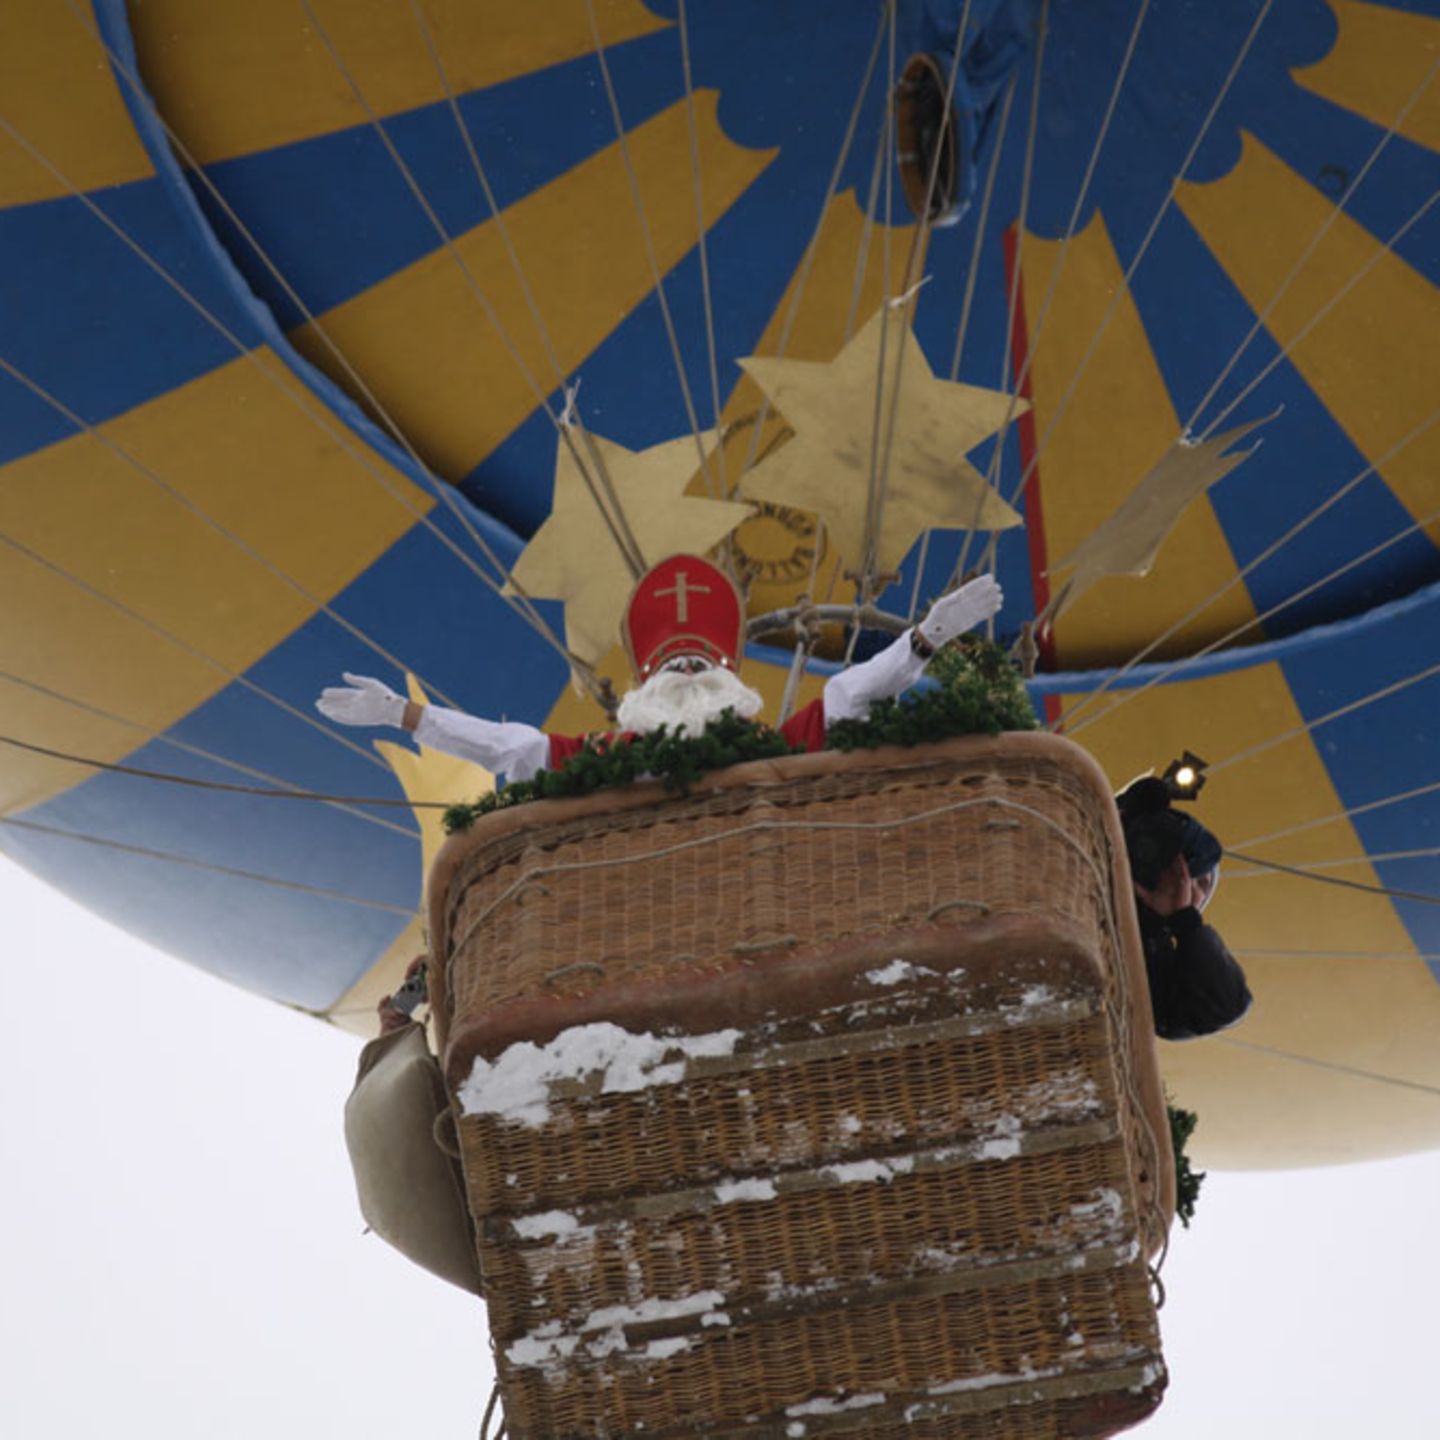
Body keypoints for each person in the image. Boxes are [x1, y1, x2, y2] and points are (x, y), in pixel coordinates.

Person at [315, 554, 1003, 781]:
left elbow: (850, 697)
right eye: (674, 664)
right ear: (649, 686)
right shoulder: (617, 755)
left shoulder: (771, 751)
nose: (686, 668)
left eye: (697, 661)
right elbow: (516, 749)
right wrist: (403, 713)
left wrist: (926, 637)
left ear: (725, 678)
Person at [1116, 776, 1252, 1041]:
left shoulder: (1159, 964)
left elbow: (1223, 1008)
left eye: (1198, 881)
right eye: (1172, 866)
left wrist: (1185, 925)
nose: (1181, 882)